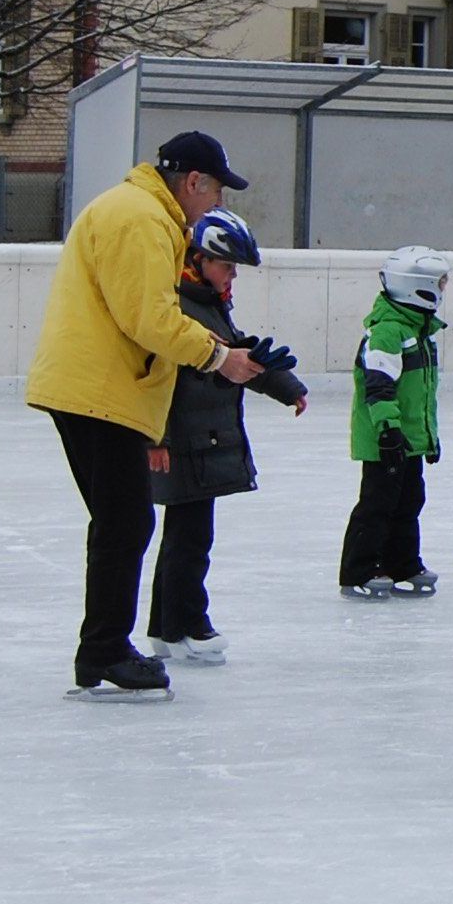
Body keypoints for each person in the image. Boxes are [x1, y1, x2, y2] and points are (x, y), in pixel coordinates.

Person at [25, 130, 263, 699]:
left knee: (123, 522)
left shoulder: (141, 212)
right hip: (97, 391)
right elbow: (150, 319)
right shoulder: (141, 219)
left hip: (98, 387)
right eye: (217, 193)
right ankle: (104, 649)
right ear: (192, 182)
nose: (218, 206)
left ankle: (101, 650)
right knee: (125, 524)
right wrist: (218, 357)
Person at [147, 208, 307, 666]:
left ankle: (167, 627)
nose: (233, 275)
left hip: (203, 439)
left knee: (186, 535)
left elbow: (234, 358)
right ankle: (187, 624)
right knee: (190, 538)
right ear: (198, 259)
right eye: (227, 265)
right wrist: (154, 439)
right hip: (183, 441)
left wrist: (284, 386)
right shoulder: (178, 308)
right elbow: (155, 377)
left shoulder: (208, 304)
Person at [341, 245, 451, 598]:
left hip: (409, 440)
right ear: (416, 285)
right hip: (384, 440)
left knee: (409, 502)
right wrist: (388, 430)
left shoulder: (418, 330)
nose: (443, 289)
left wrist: (428, 439)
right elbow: (379, 386)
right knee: (377, 505)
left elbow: (421, 395)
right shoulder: (389, 331)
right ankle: (359, 568)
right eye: (440, 282)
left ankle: (401, 563)